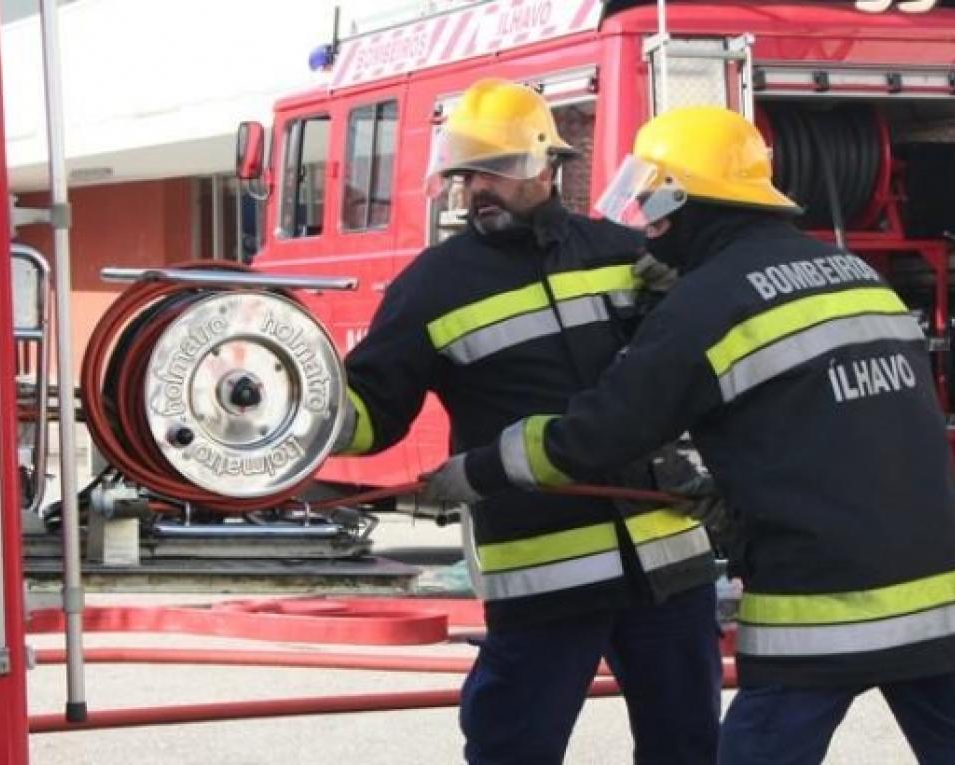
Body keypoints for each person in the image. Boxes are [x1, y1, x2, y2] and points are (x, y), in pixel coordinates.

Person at [423, 103, 955, 765]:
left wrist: (480, 470)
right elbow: (834, 427)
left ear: (687, 200)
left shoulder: (707, 303)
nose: (647, 224)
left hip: (818, 606)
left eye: (653, 203)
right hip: (939, 598)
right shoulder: (853, 273)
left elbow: (600, 433)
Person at [333, 79, 721, 764]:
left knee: (689, 748)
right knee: (515, 748)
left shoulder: (622, 253)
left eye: (497, 169)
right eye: (468, 173)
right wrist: (310, 418)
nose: (478, 188)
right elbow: (375, 411)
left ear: (547, 166)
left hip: (666, 566)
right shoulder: (432, 285)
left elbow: (694, 374)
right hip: (545, 577)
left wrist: (685, 295)